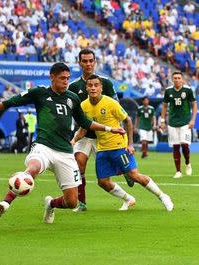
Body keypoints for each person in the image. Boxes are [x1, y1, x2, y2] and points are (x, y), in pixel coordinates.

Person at [0, 62, 125, 224]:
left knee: (72, 202)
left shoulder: (72, 98)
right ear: (52, 77)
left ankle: (50, 204)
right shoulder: (39, 93)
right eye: (62, 78)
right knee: (33, 168)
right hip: (44, 146)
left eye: (67, 78)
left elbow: (85, 122)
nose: (66, 82)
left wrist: (110, 129)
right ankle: (5, 202)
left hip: (66, 152)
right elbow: (7, 103)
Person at [71, 74, 173, 211]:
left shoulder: (111, 103)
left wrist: (130, 144)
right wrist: (73, 140)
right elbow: (84, 129)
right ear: (86, 88)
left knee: (134, 175)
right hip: (102, 148)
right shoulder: (83, 106)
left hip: (119, 146)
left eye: (96, 85)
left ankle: (163, 196)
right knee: (102, 182)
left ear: (101, 88)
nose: (93, 88)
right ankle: (128, 199)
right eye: (90, 85)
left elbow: (128, 120)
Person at [68, 49, 133, 212]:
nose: (88, 64)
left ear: (95, 62)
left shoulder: (106, 83)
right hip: (84, 133)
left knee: (106, 176)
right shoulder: (74, 87)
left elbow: (117, 109)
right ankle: (81, 203)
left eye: (91, 60)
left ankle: (124, 174)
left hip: (104, 136)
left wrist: (121, 135)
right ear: (79, 63)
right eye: (85, 61)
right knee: (79, 164)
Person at [160, 71, 197, 179]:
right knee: (175, 146)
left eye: (178, 78)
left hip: (185, 122)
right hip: (172, 122)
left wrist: (193, 120)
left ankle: (188, 163)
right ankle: (178, 171)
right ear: (172, 79)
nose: (177, 80)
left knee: (185, 145)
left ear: (182, 79)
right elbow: (164, 106)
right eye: (175, 78)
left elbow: (194, 105)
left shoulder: (188, 90)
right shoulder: (168, 91)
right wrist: (162, 121)